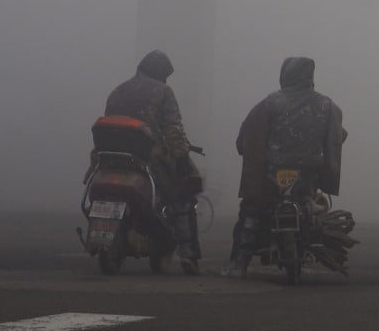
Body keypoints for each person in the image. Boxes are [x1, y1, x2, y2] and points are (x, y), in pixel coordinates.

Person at [221, 56, 346, 278]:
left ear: (285, 75)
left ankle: (238, 264)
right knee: (309, 209)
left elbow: (245, 139)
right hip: (308, 177)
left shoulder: (269, 103)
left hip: (270, 175)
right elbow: (337, 138)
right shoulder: (327, 105)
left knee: (251, 214)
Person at [104, 49, 202, 274]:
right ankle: (189, 255)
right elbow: (173, 129)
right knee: (184, 195)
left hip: (112, 159)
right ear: (160, 72)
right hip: (150, 160)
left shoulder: (118, 91)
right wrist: (182, 159)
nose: (166, 80)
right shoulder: (163, 91)